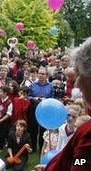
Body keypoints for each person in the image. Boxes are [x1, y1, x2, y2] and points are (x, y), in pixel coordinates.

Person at [44, 37, 91, 170]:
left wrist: (69, 163)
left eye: (79, 76)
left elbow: (81, 162)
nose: (77, 83)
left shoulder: (88, 133)